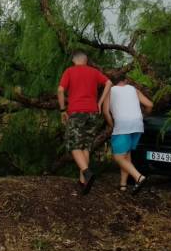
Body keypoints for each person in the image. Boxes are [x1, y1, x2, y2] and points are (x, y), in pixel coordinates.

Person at [57, 51, 112, 195]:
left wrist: (63, 110)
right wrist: (99, 103)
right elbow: (109, 83)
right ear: (86, 61)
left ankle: (87, 172)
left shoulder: (69, 71)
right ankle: (83, 182)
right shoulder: (94, 72)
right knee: (85, 146)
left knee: (73, 144)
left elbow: (60, 90)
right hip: (93, 112)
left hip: (76, 112)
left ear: (74, 61)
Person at [102, 72, 153, 195]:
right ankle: (123, 185)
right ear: (125, 80)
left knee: (118, 157)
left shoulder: (110, 91)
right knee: (126, 155)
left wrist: (111, 125)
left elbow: (105, 112)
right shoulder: (133, 89)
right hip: (137, 125)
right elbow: (150, 105)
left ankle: (139, 177)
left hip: (122, 125)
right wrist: (144, 115)